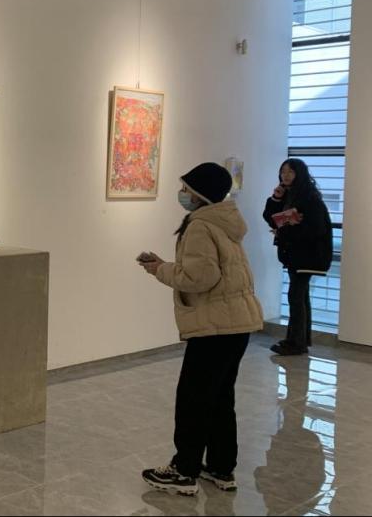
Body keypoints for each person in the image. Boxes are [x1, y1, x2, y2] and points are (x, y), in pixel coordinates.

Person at [137, 162, 264, 496]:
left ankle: (184, 470)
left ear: (200, 193)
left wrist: (160, 269)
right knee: (220, 397)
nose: (182, 194)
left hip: (215, 326)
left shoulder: (200, 226)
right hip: (236, 323)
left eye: (187, 189)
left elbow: (200, 278)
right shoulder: (225, 221)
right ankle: (221, 467)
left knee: (193, 399)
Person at [262, 159, 333, 356]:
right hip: (296, 255)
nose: (285, 175)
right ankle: (300, 340)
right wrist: (276, 198)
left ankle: (296, 342)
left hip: (308, 256)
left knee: (295, 296)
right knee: (300, 296)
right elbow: (271, 219)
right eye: (283, 171)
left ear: (299, 174)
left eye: (290, 172)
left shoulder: (309, 198)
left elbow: (316, 228)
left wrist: (285, 231)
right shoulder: (289, 195)